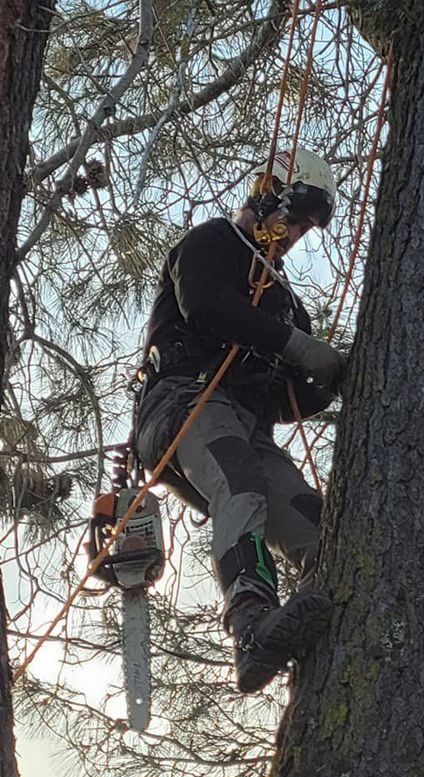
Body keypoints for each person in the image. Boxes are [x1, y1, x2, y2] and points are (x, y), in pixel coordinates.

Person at [134, 148, 345, 693]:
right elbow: (206, 306)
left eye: (305, 226)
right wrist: (298, 345)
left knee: (315, 525)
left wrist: (335, 375)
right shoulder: (213, 243)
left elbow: (285, 398)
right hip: (184, 403)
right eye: (294, 215)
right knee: (242, 484)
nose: (296, 232)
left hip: (250, 424)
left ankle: (329, 619)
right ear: (268, 192)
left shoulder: (283, 300)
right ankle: (251, 624)